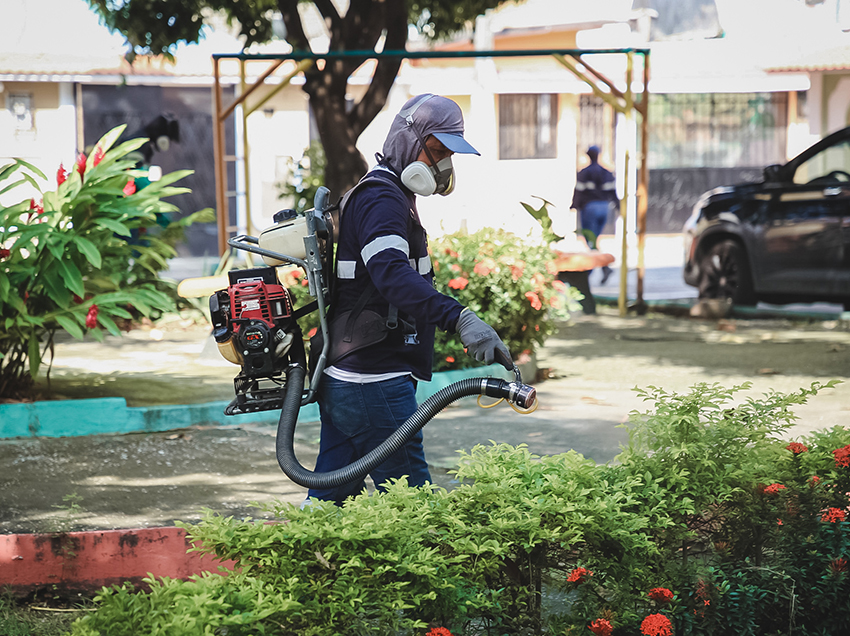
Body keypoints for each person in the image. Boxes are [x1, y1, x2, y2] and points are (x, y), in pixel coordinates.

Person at [306, 94, 513, 505]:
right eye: (436, 151)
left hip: (351, 376)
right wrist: (459, 318)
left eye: (447, 156)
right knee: (412, 507)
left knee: (327, 501)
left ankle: (295, 563)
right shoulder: (381, 198)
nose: (442, 166)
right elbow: (391, 274)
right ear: (406, 142)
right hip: (372, 380)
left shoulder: (388, 195)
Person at [571, 145, 617, 284]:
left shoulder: (585, 173)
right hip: (604, 208)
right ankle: (601, 268)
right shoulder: (606, 173)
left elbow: (578, 192)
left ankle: (591, 270)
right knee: (594, 238)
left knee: (590, 239)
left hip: (590, 208)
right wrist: (618, 207)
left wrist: (574, 205)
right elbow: (612, 193)